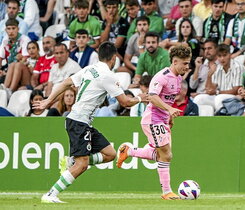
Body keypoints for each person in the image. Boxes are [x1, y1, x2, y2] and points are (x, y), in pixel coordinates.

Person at [34, 41, 148, 203]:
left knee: (110, 154)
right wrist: (139, 98)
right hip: (79, 122)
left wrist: (48, 101)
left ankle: (72, 161)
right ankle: (51, 194)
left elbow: (66, 82)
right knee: (82, 165)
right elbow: (125, 102)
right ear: (114, 57)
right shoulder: (108, 75)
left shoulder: (89, 69)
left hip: (81, 122)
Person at [116, 45, 192, 200]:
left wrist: (169, 117)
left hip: (162, 120)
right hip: (152, 120)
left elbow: (167, 99)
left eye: (188, 63)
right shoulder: (162, 76)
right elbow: (152, 97)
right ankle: (166, 192)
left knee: (161, 155)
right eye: (184, 63)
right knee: (167, 155)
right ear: (175, 61)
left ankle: (129, 151)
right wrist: (170, 110)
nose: (187, 66)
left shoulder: (177, 79)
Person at [193, 44, 245, 113]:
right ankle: (205, 122)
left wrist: (217, 92)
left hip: (236, 99)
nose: (222, 59)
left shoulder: (238, 67)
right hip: (219, 97)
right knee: (199, 99)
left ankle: (222, 121)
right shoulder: (217, 67)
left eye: (224, 55)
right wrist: (209, 75)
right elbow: (209, 90)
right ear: (217, 57)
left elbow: (236, 90)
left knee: (219, 98)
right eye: (219, 56)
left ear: (230, 55)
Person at [0, 18, 30, 97]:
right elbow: (0, 58)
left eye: (13, 28)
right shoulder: (5, 41)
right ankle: (5, 89)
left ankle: (10, 90)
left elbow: (25, 60)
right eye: (8, 29)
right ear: (5, 30)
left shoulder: (24, 39)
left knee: (16, 64)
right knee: (12, 65)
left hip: (25, 73)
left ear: (18, 29)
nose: (11, 31)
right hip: (10, 71)